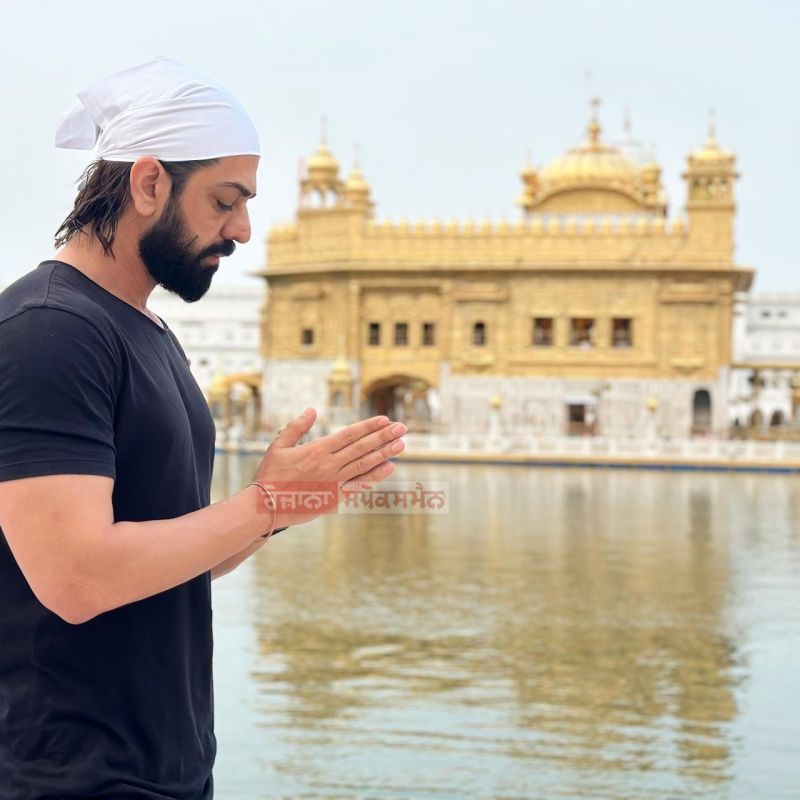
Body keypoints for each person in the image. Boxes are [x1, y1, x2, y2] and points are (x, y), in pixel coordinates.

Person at [0, 59, 406, 800]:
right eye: (225, 201)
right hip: (62, 777)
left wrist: (277, 512)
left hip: (165, 773)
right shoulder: (51, 331)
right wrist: (266, 506)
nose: (243, 229)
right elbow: (76, 578)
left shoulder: (146, 332)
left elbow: (169, 565)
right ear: (149, 183)